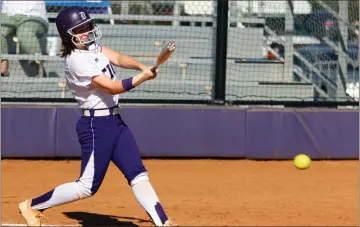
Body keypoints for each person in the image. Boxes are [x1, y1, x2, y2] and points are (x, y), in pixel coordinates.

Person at [18, 6, 176, 227]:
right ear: (68, 35)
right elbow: (111, 88)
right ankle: (32, 206)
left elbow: (118, 57)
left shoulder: (93, 48)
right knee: (87, 187)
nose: (87, 31)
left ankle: (163, 222)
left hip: (115, 122)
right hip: (96, 125)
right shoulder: (76, 61)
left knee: (138, 174)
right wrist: (142, 78)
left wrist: (143, 67)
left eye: (88, 26)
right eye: (80, 29)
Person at [1, 0, 49, 77]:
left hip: (34, 15)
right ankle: (3, 69)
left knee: (25, 32)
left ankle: (38, 69)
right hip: (7, 14)